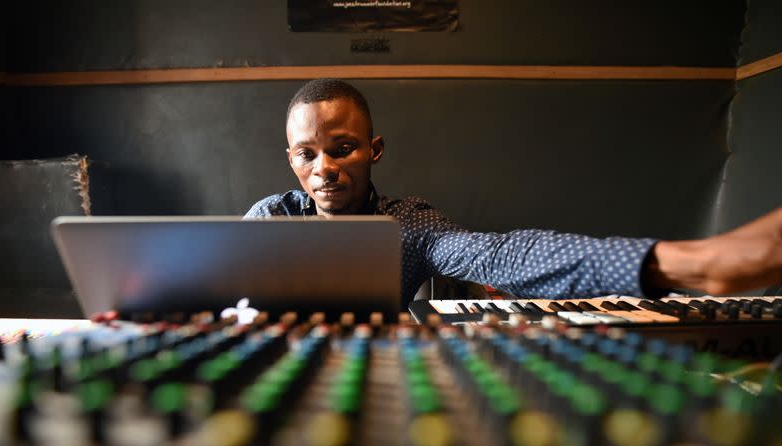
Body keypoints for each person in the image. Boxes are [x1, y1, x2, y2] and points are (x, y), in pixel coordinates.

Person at [245, 78, 782, 307]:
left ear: (375, 149)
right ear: (290, 158)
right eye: (306, 154)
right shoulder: (268, 220)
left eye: (343, 148)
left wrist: (680, 262)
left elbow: (500, 254)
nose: (325, 169)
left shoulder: (409, 225)